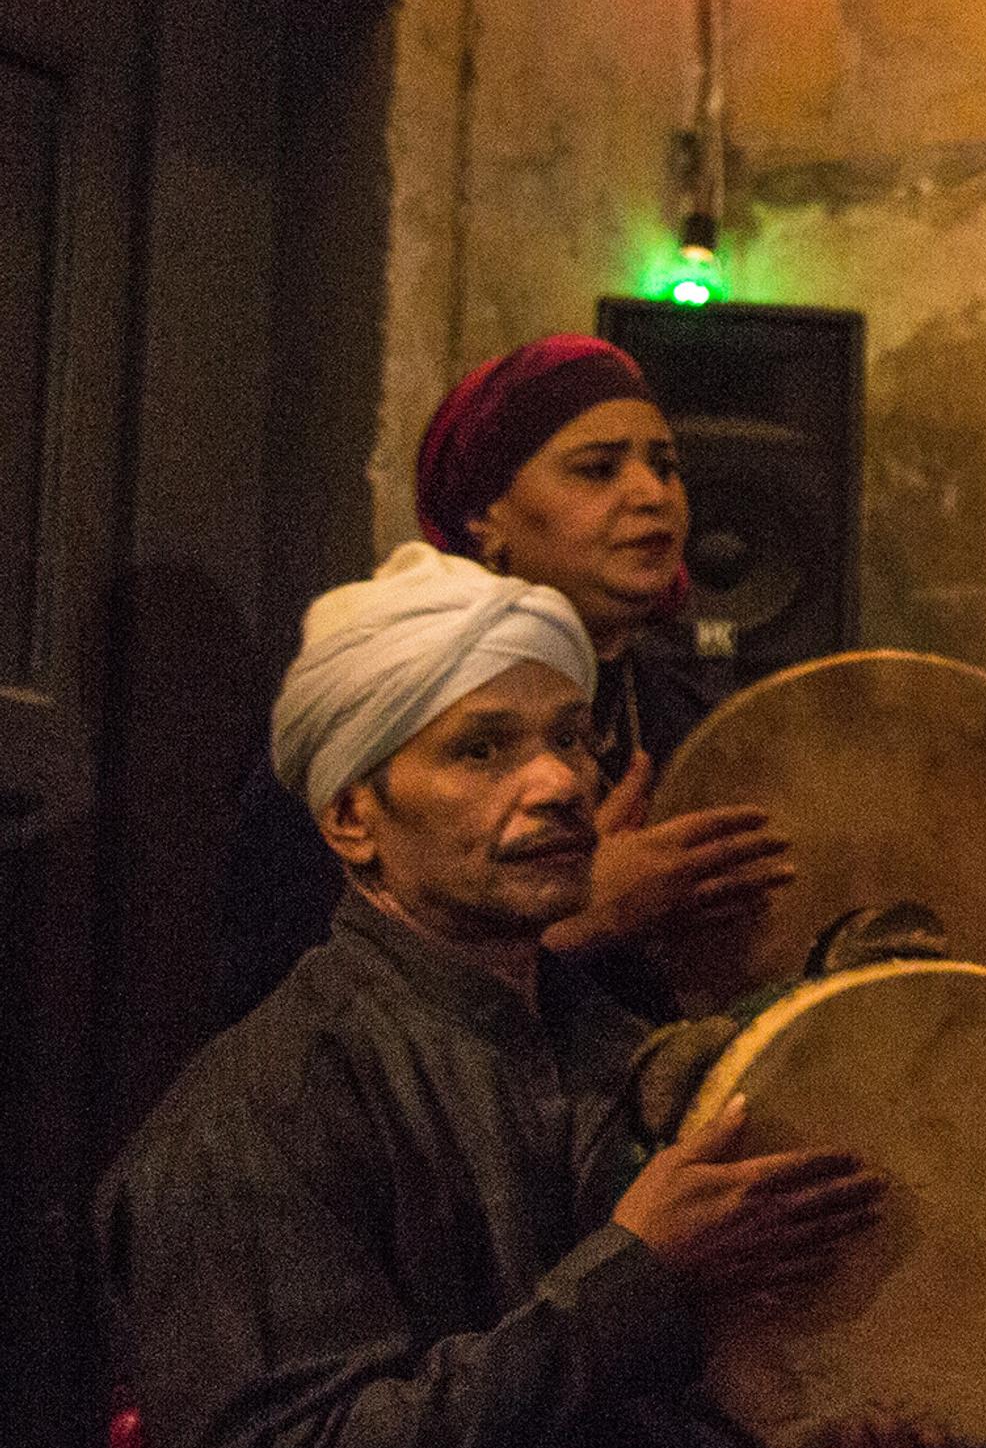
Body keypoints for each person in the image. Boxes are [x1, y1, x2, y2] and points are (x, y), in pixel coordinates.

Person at [99, 543, 951, 1448]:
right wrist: (630, 1289)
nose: (559, 784)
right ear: (351, 818)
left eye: (572, 740)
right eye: (482, 751)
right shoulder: (260, 1115)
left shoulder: (619, 1057)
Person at [218, 336, 789, 1021]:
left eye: (666, 468)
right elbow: (289, 998)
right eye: (599, 469)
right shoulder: (383, 706)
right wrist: (577, 919)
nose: (651, 494)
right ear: (483, 516)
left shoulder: (690, 718)